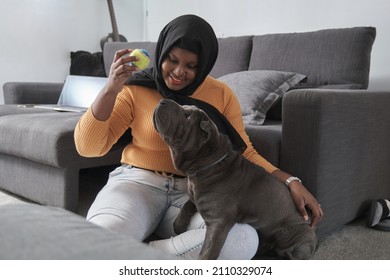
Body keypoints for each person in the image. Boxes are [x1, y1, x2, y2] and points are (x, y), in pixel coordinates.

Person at [74, 14, 323, 259]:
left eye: (191, 65)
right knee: (99, 240)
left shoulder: (221, 94)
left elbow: (244, 152)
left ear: (204, 64)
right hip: (137, 183)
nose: (179, 72)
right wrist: (110, 90)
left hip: (194, 192)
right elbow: (87, 147)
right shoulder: (136, 87)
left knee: (242, 241)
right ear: (162, 52)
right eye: (172, 60)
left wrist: (291, 181)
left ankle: (148, 253)